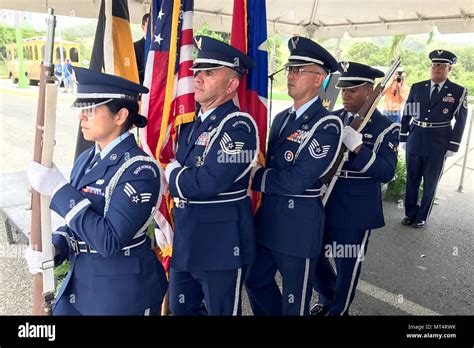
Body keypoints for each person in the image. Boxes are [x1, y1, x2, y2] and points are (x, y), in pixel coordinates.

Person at [24, 67, 168, 315]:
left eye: (91, 109)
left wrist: (59, 190)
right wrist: (54, 246)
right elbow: (75, 225)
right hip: (80, 283)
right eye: (82, 109)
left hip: (120, 291)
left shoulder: (139, 170)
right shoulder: (86, 159)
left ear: (121, 116)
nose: (82, 117)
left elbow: (109, 240)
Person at [244, 36, 343, 316]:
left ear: (318, 79)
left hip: (298, 224)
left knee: (294, 299)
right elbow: (281, 168)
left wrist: (259, 178)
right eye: (290, 69)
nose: (291, 75)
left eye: (300, 70)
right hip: (269, 219)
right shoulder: (282, 118)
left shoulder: (327, 124)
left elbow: (299, 179)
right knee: (255, 280)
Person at [164, 36, 258, 316]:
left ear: (231, 85)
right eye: (197, 72)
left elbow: (208, 182)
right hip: (187, 240)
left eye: (209, 73)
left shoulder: (238, 126)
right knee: (183, 310)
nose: (198, 78)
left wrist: (172, 173)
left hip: (220, 244)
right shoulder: (194, 122)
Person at [310, 61, 400, 316]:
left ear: (370, 91)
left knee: (347, 266)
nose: (346, 95)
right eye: (344, 90)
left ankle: (339, 311)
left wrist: (359, 148)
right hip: (325, 200)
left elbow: (386, 172)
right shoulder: (334, 118)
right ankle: (327, 299)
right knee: (313, 255)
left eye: (353, 90)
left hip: (355, 209)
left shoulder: (386, 127)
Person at [400, 50, 468, 228]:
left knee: (430, 182)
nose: (437, 69)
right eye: (435, 65)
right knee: (412, 179)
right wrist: (403, 135)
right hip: (416, 138)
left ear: (449, 69)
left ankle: (422, 216)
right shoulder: (417, 87)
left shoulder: (458, 91)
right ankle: (410, 213)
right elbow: (408, 112)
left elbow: (460, 120)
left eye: (442, 66)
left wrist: (454, 145)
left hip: (438, 143)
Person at [134, 13, 149, 85]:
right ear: (143, 28)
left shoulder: (163, 48)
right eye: (149, 27)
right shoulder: (135, 47)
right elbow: (133, 72)